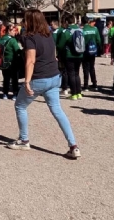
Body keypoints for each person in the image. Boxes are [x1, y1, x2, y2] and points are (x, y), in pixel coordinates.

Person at [7, 9, 80, 160]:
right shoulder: (49, 34)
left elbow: (30, 60)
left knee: (20, 106)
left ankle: (24, 140)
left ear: (30, 21)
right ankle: (73, 146)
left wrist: (27, 81)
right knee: (57, 111)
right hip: (54, 77)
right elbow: (53, 55)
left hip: (39, 78)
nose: (23, 22)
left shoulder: (30, 37)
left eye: (25, 19)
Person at [56, 16, 83, 100]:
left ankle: (73, 93)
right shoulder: (80, 30)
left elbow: (60, 45)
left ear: (67, 22)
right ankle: (79, 93)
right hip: (79, 54)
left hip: (69, 55)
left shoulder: (66, 32)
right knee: (77, 73)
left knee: (71, 74)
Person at [1, 23, 22, 100]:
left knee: (6, 79)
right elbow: (17, 50)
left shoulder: (2, 39)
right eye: (13, 31)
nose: (14, 32)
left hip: (4, 62)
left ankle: (5, 93)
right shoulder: (12, 40)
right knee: (14, 79)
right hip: (12, 62)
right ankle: (15, 94)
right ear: (9, 31)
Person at [81, 17, 100, 91]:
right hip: (93, 50)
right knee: (92, 67)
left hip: (85, 51)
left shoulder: (82, 30)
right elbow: (98, 40)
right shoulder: (95, 29)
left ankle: (86, 85)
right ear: (88, 21)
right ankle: (94, 84)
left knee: (85, 68)